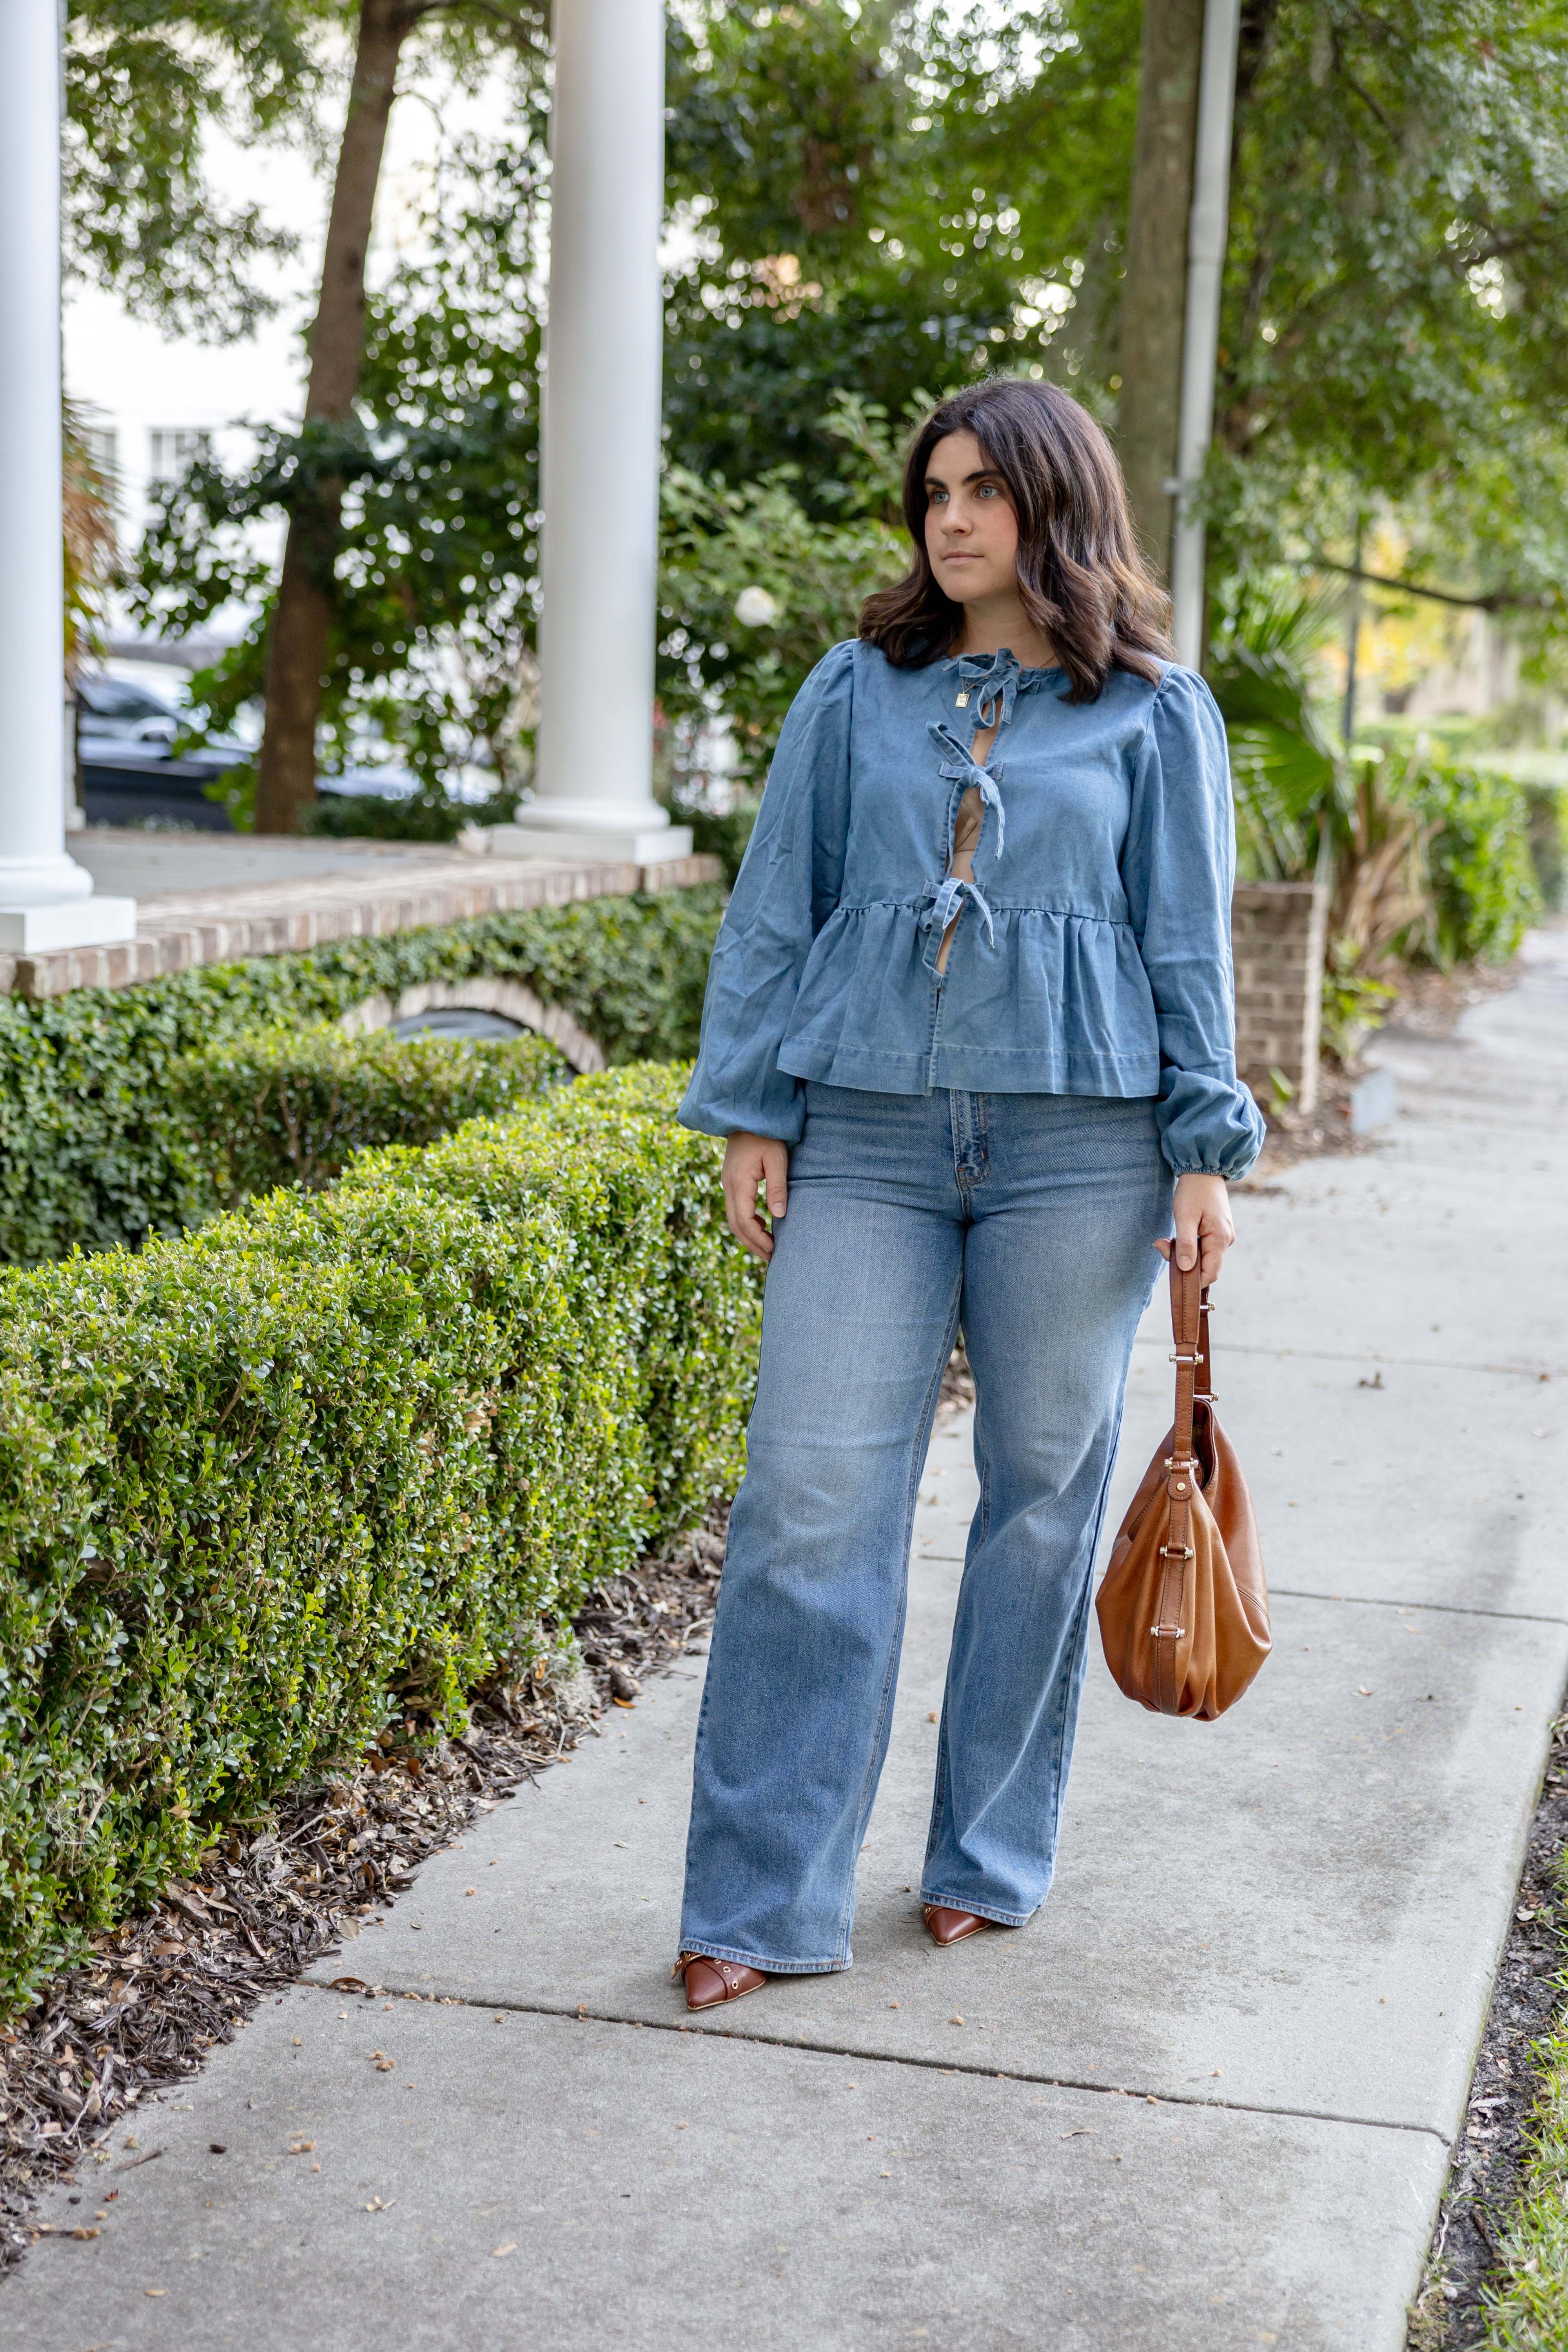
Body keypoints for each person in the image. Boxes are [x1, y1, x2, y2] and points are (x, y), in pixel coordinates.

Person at [671, 377, 1265, 2013]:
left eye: (986, 489)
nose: (951, 517)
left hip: (1083, 1149)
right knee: (807, 1500)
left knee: (1037, 1504)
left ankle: (984, 1856)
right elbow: (772, 909)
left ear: (1054, 506)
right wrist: (748, 1110)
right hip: (862, 1135)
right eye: (935, 489)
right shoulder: (852, 692)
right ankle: (759, 1892)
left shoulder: (1153, 707)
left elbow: (1182, 945)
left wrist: (1203, 1147)